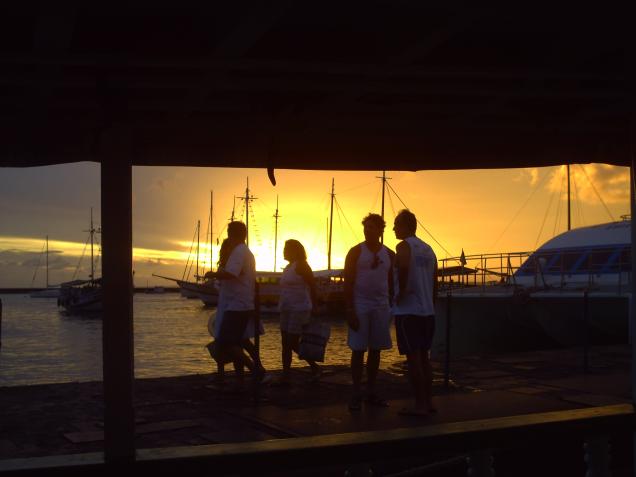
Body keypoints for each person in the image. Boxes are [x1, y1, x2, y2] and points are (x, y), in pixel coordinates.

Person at [205, 221, 267, 384]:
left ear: (231, 234)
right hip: (238, 304)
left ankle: (255, 369)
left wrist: (212, 275)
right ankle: (245, 377)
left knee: (226, 343)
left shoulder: (239, 252)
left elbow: (232, 274)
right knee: (238, 342)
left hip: (236, 305)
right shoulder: (244, 252)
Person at [344, 213, 395, 411]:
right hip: (360, 305)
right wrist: (349, 309)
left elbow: (392, 281)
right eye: (366, 227)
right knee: (358, 350)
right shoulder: (355, 252)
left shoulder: (389, 254)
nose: (368, 231)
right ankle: (356, 392)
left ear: (381, 230)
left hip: (381, 306)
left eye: (372, 227)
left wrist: (392, 304)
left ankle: (371, 391)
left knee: (376, 350)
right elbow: (348, 281)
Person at [392, 209, 438, 416]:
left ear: (405, 226)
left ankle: (419, 405)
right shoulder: (429, 249)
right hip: (428, 312)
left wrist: (400, 292)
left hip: (409, 311)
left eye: (396, 224)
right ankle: (428, 402)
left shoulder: (403, 246)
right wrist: (431, 304)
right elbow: (435, 283)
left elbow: (402, 267)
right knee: (425, 359)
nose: (393, 228)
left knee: (413, 360)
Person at [275, 239, 321, 384]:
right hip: (286, 308)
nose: (284, 251)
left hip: (299, 308)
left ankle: (312, 367)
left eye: (287, 248)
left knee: (291, 342)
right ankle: (287, 373)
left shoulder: (302, 266)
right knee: (286, 343)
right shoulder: (288, 267)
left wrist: (315, 306)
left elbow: (313, 286)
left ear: (295, 250)